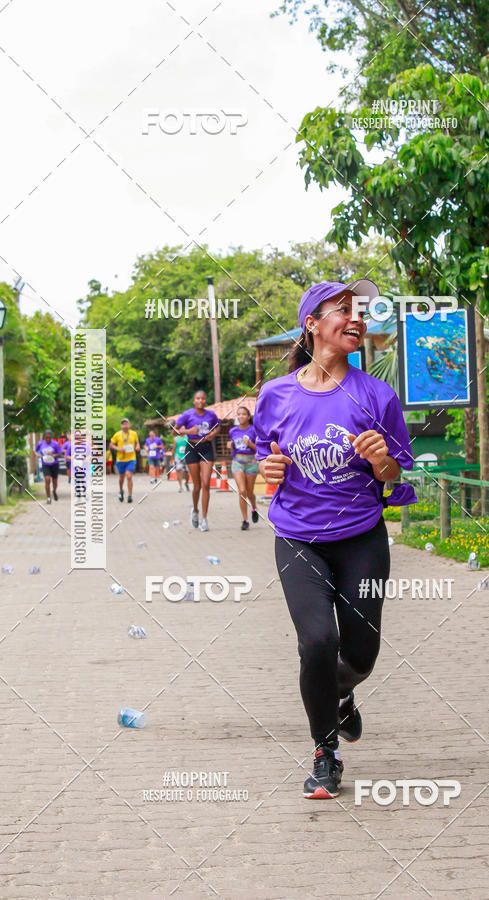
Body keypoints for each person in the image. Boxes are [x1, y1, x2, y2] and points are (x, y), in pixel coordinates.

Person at [254, 279, 414, 799]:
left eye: (359, 311)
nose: (356, 318)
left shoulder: (377, 396)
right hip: (298, 539)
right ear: (312, 324)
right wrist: (267, 471)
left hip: (361, 538)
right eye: (343, 309)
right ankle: (326, 754)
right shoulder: (276, 395)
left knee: (361, 656)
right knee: (318, 643)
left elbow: (396, 475)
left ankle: (340, 693)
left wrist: (382, 461)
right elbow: (264, 461)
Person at [175, 391, 220, 530]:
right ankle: (195, 510)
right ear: (194, 400)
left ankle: (204, 519)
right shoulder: (187, 414)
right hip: (192, 448)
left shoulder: (211, 415)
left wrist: (213, 433)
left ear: (206, 400)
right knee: (197, 485)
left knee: (206, 483)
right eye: (198, 398)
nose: (200, 400)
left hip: (206, 448)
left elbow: (218, 426)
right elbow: (174, 431)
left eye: (203, 398)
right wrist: (188, 432)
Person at [227, 405, 259, 530]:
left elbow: (259, 448)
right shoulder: (233, 431)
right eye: (239, 414)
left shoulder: (254, 430)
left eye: (244, 414)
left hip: (251, 463)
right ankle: (245, 520)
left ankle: (254, 507)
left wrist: (249, 444)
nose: (241, 416)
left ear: (248, 416)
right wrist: (230, 446)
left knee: (249, 492)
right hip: (237, 462)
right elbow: (232, 448)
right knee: (242, 491)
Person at [109, 418, 140, 503]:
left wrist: (137, 446)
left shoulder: (134, 433)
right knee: (121, 478)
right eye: (123, 424)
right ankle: (121, 491)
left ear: (129, 425)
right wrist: (118, 448)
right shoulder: (117, 434)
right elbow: (111, 445)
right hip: (120, 460)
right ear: (121, 426)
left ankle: (130, 495)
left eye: (126, 424)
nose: (125, 425)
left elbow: (137, 442)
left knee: (129, 476)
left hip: (131, 459)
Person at [35, 429, 63, 504]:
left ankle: (54, 491)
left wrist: (53, 455)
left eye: (49, 438)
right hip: (45, 464)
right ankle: (48, 498)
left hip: (54, 464)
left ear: (51, 437)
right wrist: (37, 454)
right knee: (47, 480)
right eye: (46, 437)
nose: (48, 439)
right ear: (44, 437)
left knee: (55, 481)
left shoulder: (55, 444)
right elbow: (35, 450)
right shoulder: (40, 443)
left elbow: (60, 454)